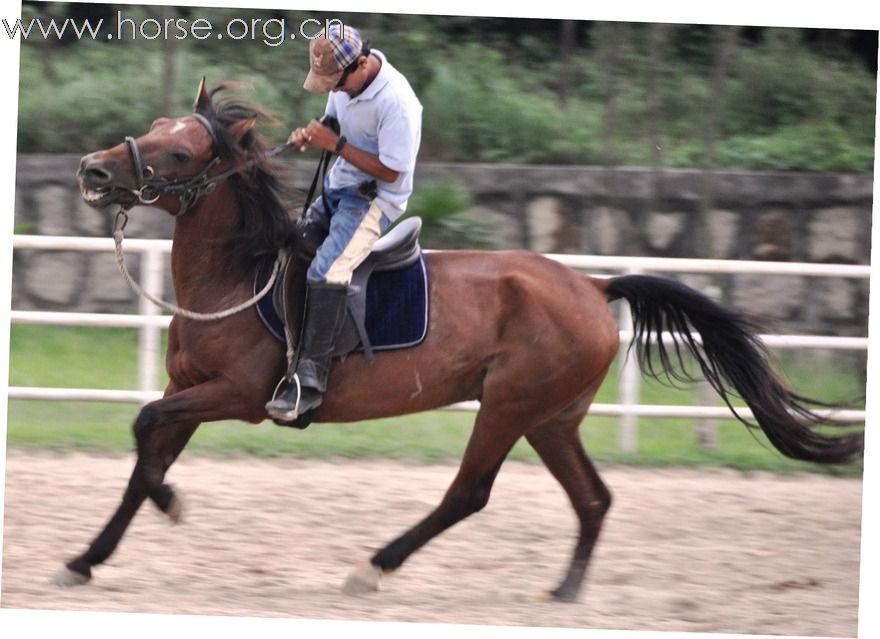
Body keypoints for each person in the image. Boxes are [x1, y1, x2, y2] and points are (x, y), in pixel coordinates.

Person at [266, 24, 423, 422]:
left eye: (336, 83)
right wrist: (313, 133)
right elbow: (334, 121)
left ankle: (310, 382)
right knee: (290, 246)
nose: (332, 91)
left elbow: (391, 172)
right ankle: (286, 350)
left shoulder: (396, 103)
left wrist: (334, 146)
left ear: (363, 63)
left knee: (326, 271)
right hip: (338, 188)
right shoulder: (345, 85)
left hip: (373, 201)